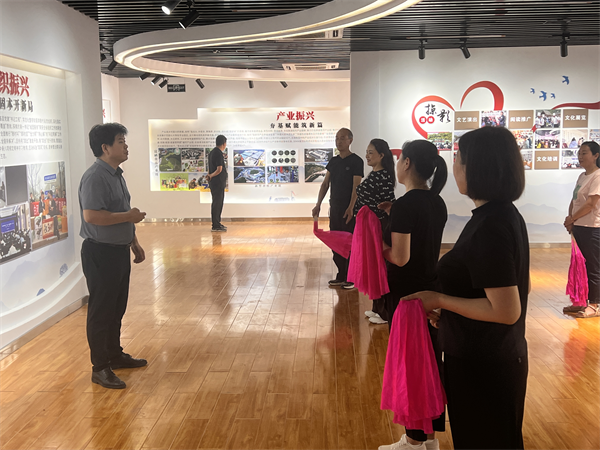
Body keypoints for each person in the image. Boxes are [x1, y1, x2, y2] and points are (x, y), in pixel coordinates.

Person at [402, 127, 529, 450]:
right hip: (486, 355)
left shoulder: (491, 226)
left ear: (478, 167)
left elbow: (506, 310)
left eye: (459, 158)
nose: (454, 165)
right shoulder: (499, 215)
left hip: (485, 365)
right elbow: (515, 288)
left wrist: (440, 299)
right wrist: (453, 313)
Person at [377, 140, 448, 450]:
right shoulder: (437, 202)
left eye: (399, 159)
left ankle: (413, 441)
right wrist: (394, 215)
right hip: (430, 289)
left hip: (407, 296)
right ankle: (428, 438)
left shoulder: (406, 205)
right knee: (428, 365)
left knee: (411, 366)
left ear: (406, 163)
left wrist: (377, 244)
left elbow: (401, 257)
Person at [79, 122, 148, 389]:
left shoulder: (116, 174)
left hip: (118, 250)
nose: (126, 146)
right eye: (121, 141)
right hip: (101, 252)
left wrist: (133, 241)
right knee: (101, 310)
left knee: (117, 307)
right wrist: (129, 217)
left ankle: (114, 355)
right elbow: (92, 216)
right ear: (105, 148)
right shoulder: (95, 177)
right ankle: (100, 368)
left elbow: (121, 209)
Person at [312, 128, 364, 288]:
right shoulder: (333, 161)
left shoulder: (356, 161)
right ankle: (341, 274)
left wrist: (351, 207)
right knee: (336, 241)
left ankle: (351, 276)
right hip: (334, 208)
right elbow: (325, 184)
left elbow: (356, 187)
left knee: (349, 242)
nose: (338, 141)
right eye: (336, 138)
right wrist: (318, 204)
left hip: (349, 210)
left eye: (342, 138)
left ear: (350, 140)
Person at [352, 138, 396, 323]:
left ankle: (384, 312)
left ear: (381, 155)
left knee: (379, 266)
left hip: (376, 225)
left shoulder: (383, 176)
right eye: (367, 152)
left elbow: (389, 202)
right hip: (368, 225)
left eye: (371, 152)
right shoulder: (375, 173)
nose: (367, 156)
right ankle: (377, 307)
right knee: (372, 265)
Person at [563, 141, 600, 317]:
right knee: (580, 266)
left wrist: (572, 218)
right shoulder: (582, 176)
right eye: (579, 153)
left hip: (592, 228)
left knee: (593, 267)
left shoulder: (598, 176)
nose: (580, 156)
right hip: (578, 226)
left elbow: (590, 204)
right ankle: (581, 301)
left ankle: (595, 304)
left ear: (596, 156)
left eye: (584, 153)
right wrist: (570, 218)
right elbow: (575, 200)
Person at [207, 135, 228, 232]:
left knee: (216, 202)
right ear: (224, 143)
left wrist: (209, 175)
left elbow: (210, 167)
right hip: (218, 182)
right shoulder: (218, 153)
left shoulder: (212, 152)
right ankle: (215, 225)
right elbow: (219, 169)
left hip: (215, 183)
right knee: (217, 203)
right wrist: (211, 175)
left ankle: (217, 223)